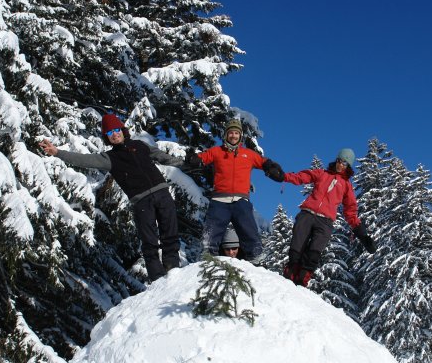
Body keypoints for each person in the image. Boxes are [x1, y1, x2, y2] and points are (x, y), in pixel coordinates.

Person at [39, 113, 184, 281]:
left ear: (122, 130)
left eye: (117, 130)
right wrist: (57, 152)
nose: (115, 134)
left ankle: (173, 271)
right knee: (150, 243)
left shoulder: (140, 145)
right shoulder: (109, 158)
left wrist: (185, 163)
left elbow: (163, 157)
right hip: (141, 202)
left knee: (170, 233)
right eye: (110, 133)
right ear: (107, 137)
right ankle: (158, 279)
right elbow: (83, 159)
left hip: (162, 193)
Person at [185, 118, 283, 262]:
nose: (233, 136)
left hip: (240, 199)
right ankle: (207, 255)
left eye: (237, 133)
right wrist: (193, 158)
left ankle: (255, 256)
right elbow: (202, 157)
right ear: (226, 135)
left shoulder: (248, 154)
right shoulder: (217, 151)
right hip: (219, 199)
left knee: (248, 228)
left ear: (240, 136)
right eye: (231, 133)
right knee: (212, 229)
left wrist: (271, 166)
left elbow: (263, 162)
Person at [279, 148, 376, 286]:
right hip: (307, 214)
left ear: (348, 166)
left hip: (325, 221)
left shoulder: (346, 186)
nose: (341, 165)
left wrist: (362, 234)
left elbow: (350, 210)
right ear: (336, 160)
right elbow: (302, 176)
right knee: (296, 248)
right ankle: (289, 275)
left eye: (345, 163)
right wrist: (283, 176)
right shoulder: (322, 174)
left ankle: (302, 282)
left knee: (314, 253)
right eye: (339, 161)